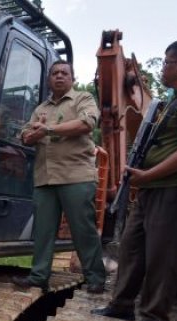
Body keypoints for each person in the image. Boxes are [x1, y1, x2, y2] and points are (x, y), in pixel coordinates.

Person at [92, 38, 177, 321]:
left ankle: (153, 319)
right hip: (151, 187)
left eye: (165, 62)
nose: (162, 68)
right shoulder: (174, 98)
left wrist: (147, 174)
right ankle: (121, 305)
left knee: (163, 256)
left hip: (173, 188)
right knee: (131, 247)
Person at [13, 60, 106, 293]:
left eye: (65, 73)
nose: (59, 76)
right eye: (55, 73)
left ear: (72, 78)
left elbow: (87, 123)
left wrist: (48, 129)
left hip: (76, 176)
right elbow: (24, 135)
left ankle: (95, 278)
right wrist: (33, 133)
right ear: (49, 80)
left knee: (82, 229)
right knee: (43, 231)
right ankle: (38, 276)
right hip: (45, 178)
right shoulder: (40, 108)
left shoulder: (83, 99)